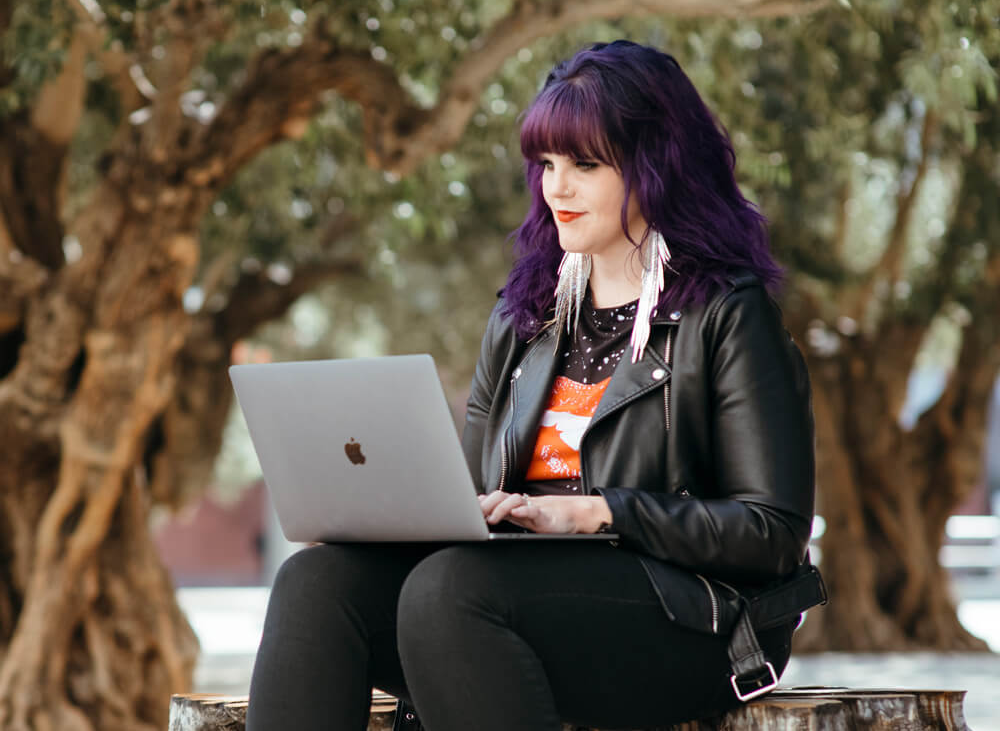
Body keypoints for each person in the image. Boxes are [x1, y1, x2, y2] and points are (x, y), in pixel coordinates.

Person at [245, 40, 818, 731]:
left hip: (694, 620)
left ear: (657, 166)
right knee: (316, 582)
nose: (557, 187)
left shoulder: (727, 315)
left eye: (585, 164)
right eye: (546, 164)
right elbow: (467, 502)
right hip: (505, 597)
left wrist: (600, 512)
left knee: (450, 592)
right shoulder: (527, 316)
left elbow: (772, 533)